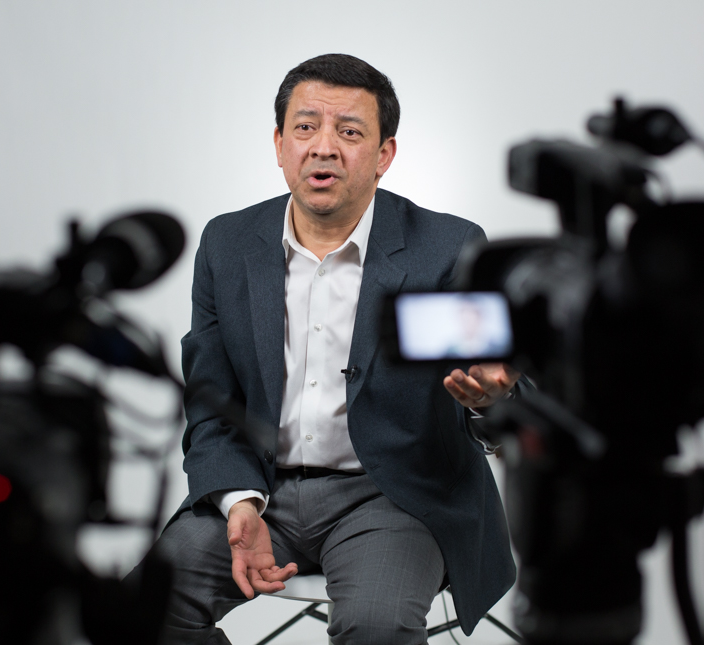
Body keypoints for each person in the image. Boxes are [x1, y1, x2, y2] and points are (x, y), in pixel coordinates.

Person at [140, 53, 527, 644]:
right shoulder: (228, 243)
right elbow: (211, 399)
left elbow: (497, 387)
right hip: (259, 490)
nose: (323, 147)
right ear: (279, 143)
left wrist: (491, 400)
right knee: (138, 613)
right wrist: (239, 502)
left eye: (350, 132)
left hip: (393, 497)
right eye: (305, 127)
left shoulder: (448, 247)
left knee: (375, 626)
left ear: (383, 155)